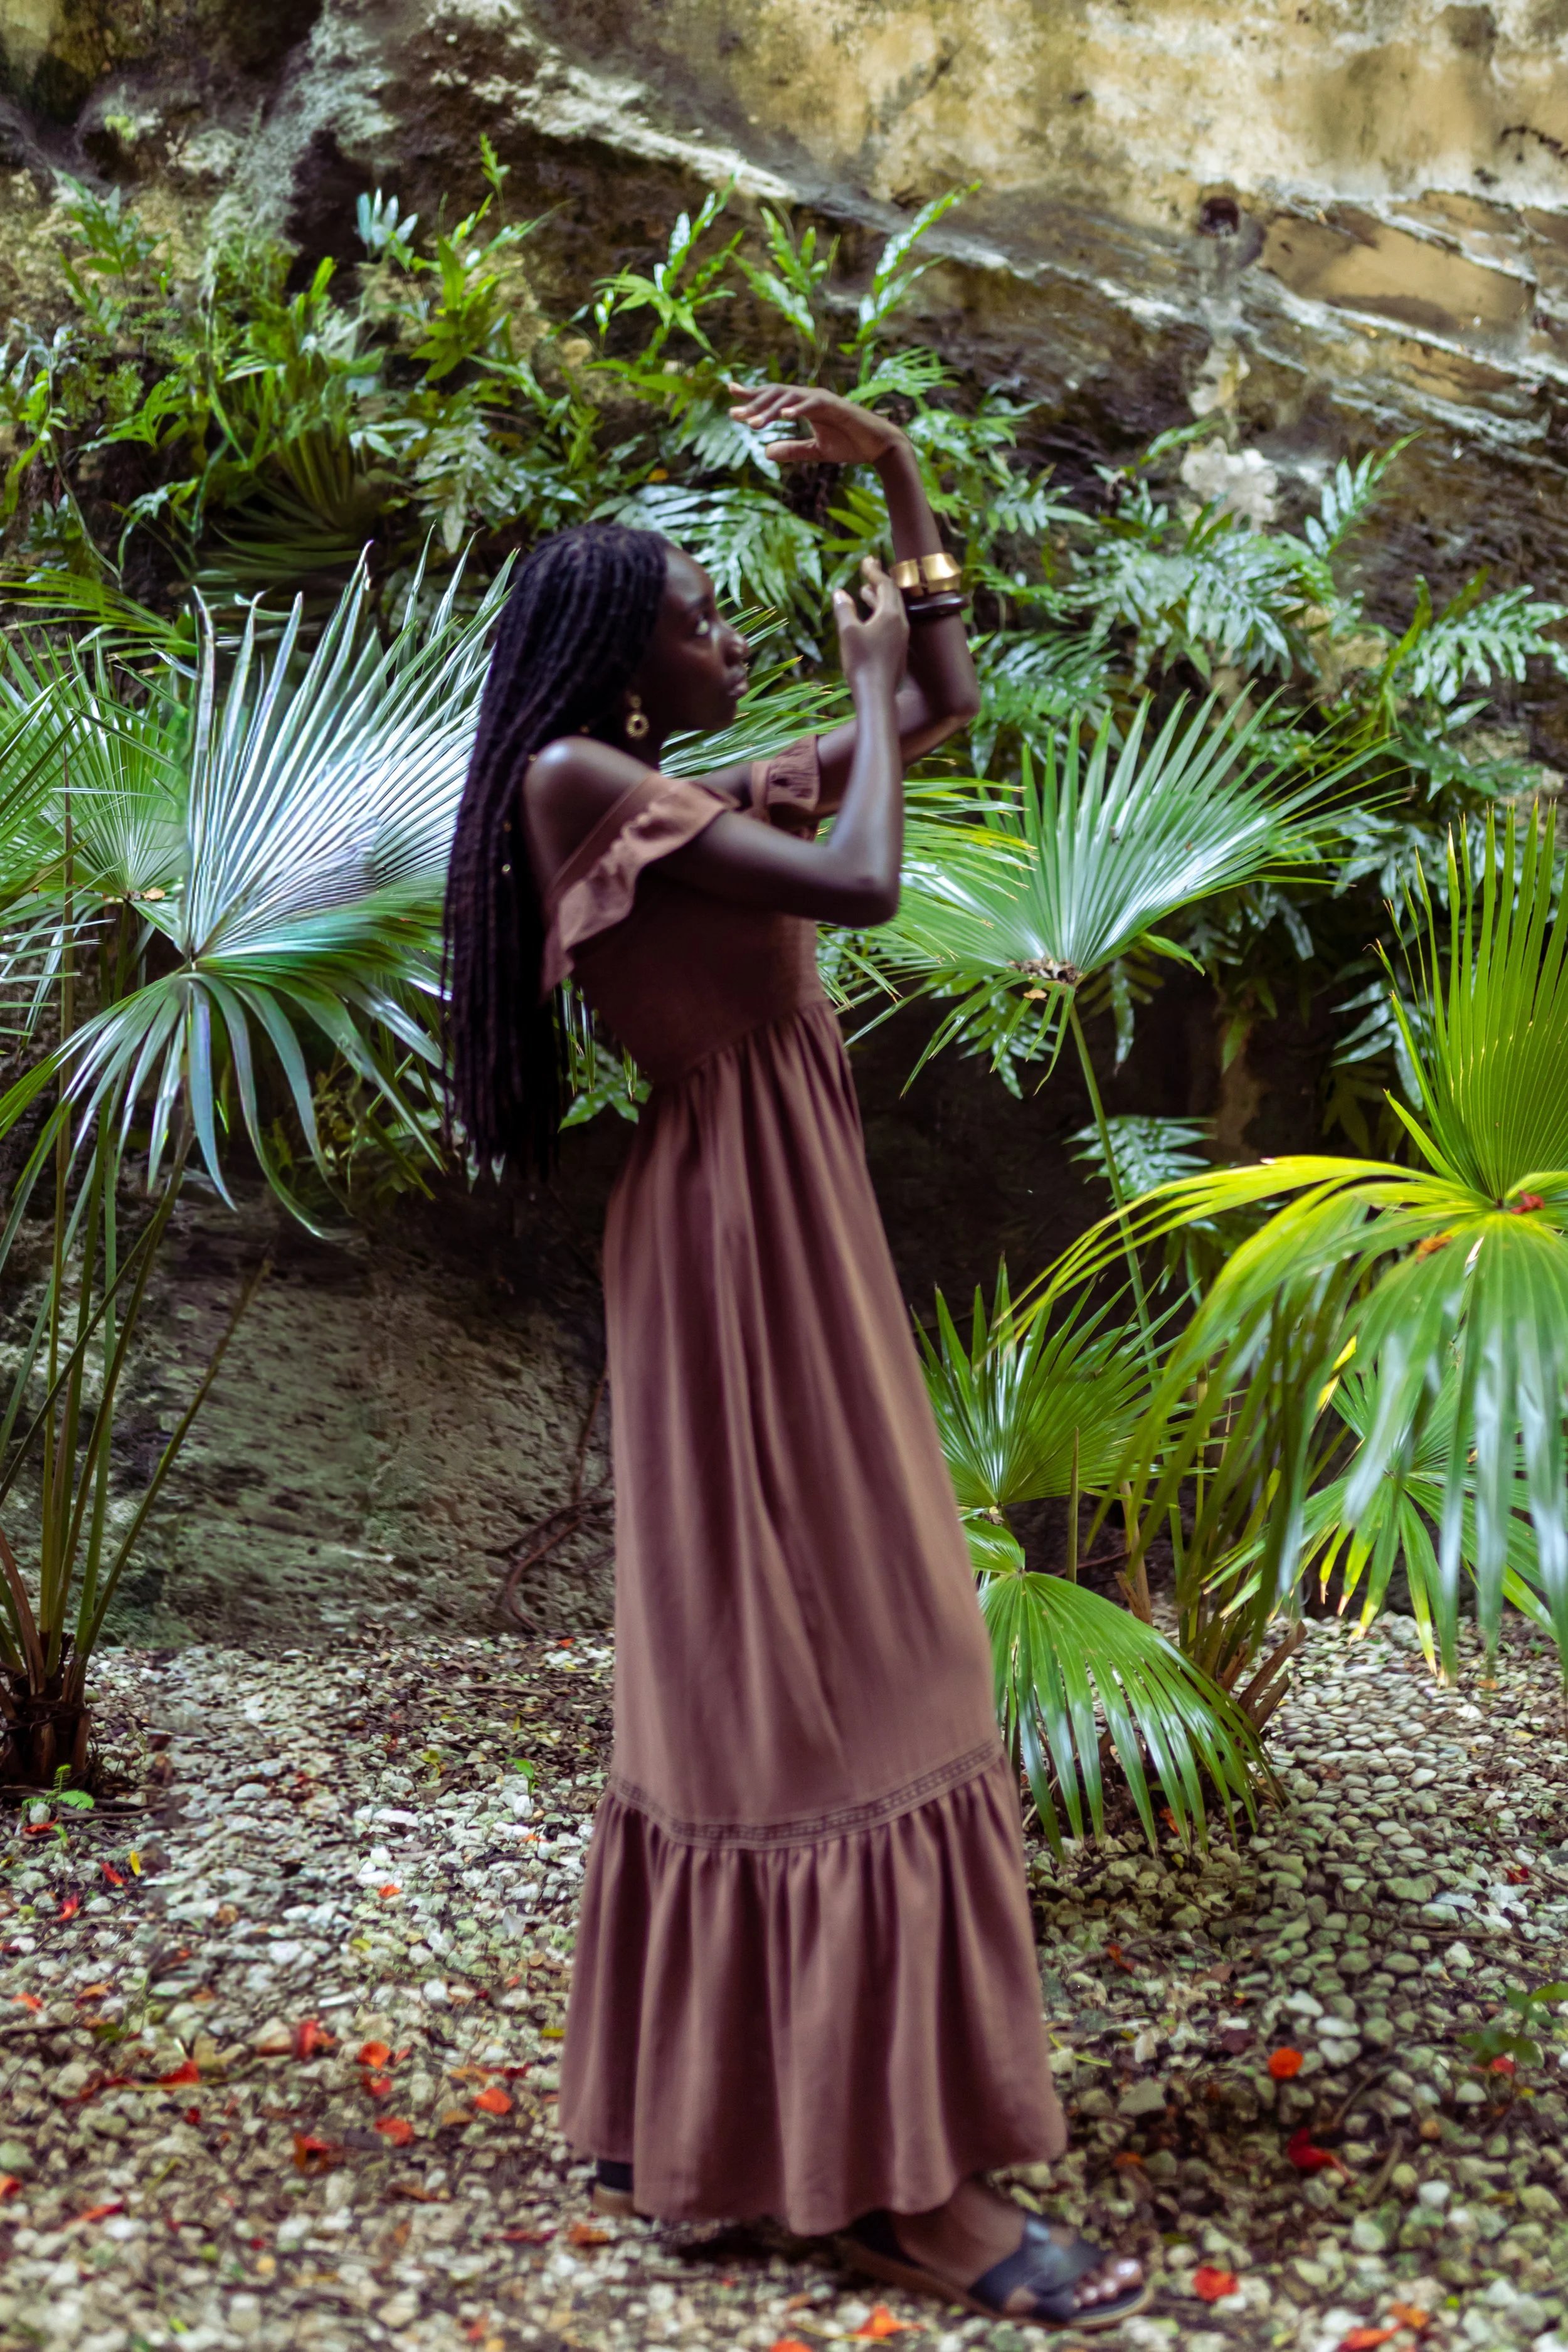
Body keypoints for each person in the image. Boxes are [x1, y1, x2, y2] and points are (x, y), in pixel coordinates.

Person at [443, 380, 1149, 2329]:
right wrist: (848, 672)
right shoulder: (580, 781)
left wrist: (907, 477)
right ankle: (890, 2191)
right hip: (728, 1241)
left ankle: (755, 2115)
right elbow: (866, 874)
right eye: (697, 609)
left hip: (794, 1214)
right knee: (827, 1658)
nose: (729, 627)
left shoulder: (664, 780)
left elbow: (931, 723)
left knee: (841, 1644)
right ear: (616, 645)